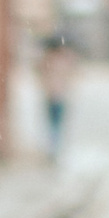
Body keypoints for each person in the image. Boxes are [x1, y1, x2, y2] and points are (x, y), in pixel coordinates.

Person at [37, 29, 78, 162]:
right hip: (57, 96)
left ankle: (53, 148)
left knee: (53, 124)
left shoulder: (48, 60)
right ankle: (54, 148)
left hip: (52, 95)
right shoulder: (59, 60)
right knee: (56, 124)